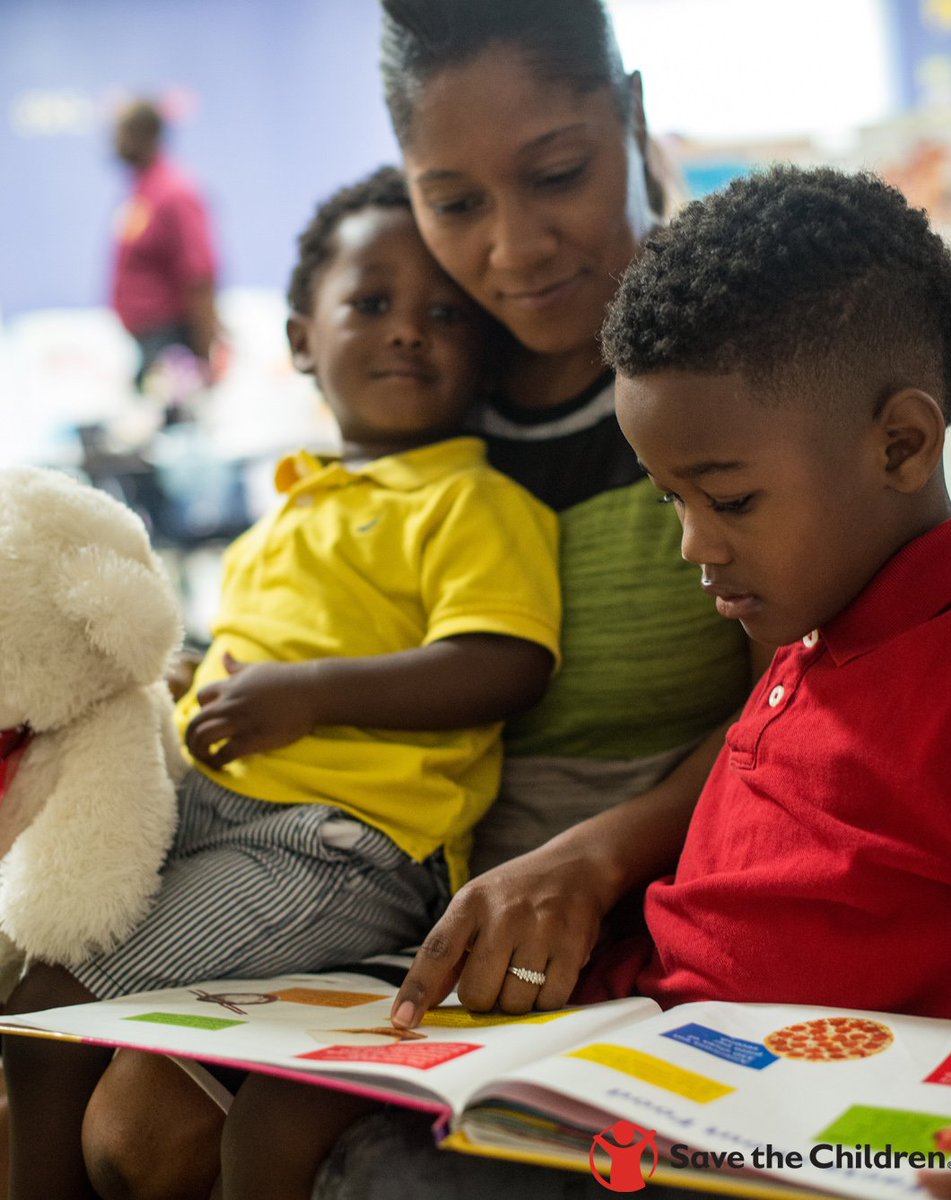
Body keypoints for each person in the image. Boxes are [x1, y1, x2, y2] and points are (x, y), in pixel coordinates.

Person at [77, 1, 761, 1195]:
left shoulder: (743, 365)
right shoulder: (432, 379)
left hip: (641, 881)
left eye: (557, 174)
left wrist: (598, 858)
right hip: (396, 876)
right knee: (130, 1129)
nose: (513, 250)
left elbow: (811, 696)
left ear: (632, 115)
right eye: (456, 203)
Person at [313, 162, 951, 1200]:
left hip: (809, 1144)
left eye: (732, 501)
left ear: (900, 443)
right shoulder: (808, 629)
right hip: (640, 1068)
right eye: (671, 501)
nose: (692, 546)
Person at [2, 164, 562, 1200]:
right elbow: (246, 662)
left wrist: (309, 696)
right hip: (217, 814)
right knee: (34, 956)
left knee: (49, 1006)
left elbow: (505, 664)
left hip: (339, 850)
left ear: (482, 349)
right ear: (304, 337)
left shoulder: (471, 502)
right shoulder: (287, 512)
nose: (409, 331)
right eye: (372, 303)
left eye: (444, 313)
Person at [110, 99, 221, 390]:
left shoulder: (174, 192)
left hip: (172, 342)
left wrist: (204, 355)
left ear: (145, 134)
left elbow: (199, 275)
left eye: (121, 132)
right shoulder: (143, 190)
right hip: (150, 340)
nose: (114, 143)